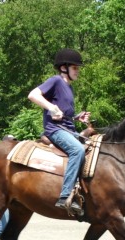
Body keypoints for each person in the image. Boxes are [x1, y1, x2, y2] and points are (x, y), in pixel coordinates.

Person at [28, 48, 91, 213]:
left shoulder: (69, 88)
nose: (78, 71)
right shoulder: (56, 81)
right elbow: (33, 95)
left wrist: (78, 117)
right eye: (75, 67)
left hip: (68, 129)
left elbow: (65, 114)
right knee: (77, 151)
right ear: (64, 67)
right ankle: (65, 196)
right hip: (55, 130)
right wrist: (50, 106)